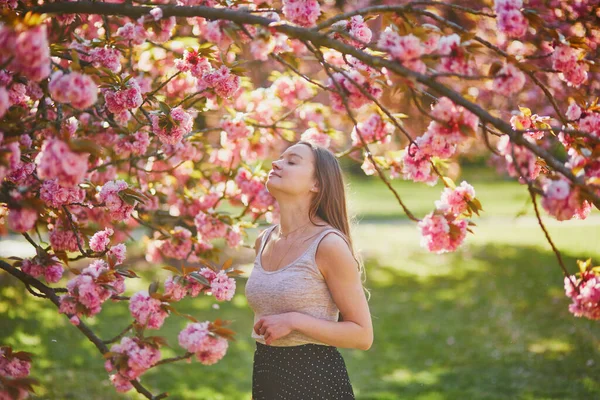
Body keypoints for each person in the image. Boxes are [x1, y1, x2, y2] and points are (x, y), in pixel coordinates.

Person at [245, 140, 373, 399]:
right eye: (280, 158)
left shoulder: (328, 245)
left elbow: (362, 335)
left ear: (316, 184)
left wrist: (294, 321)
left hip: (315, 380)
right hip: (266, 375)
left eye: (291, 161)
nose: (276, 164)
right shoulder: (264, 240)